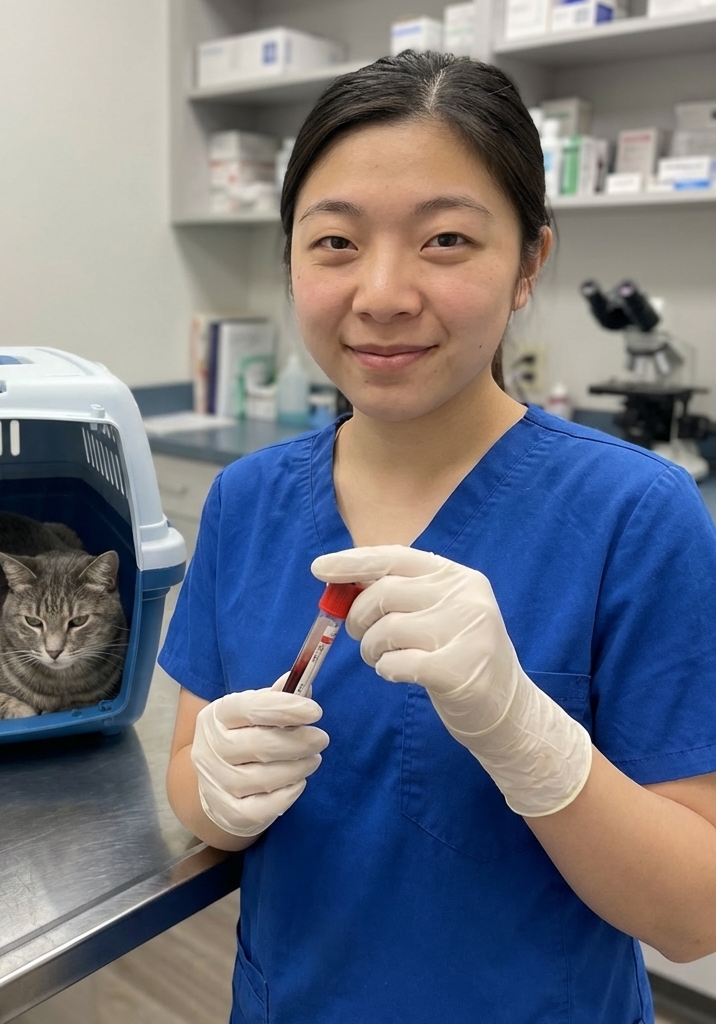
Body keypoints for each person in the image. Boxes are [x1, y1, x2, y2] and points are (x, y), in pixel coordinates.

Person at [161, 51, 716, 1024]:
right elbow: (187, 775)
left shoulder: (636, 514)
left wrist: (528, 738)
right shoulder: (248, 501)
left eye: (446, 239)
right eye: (334, 241)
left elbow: (691, 913)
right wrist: (216, 790)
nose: (380, 292)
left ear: (528, 264)